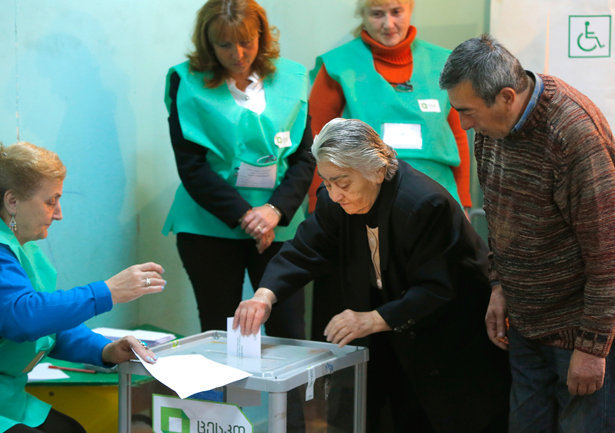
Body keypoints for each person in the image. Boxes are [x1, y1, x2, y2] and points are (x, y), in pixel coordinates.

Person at [234, 118, 510, 433]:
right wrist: (264, 296)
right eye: (327, 182)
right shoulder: (337, 201)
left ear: (377, 171)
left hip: (452, 333)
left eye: (342, 183)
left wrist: (373, 319)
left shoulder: (423, 203)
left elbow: (439, 287)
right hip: (399, 331)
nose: (335, 194)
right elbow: (305, 249)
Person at [439, 34, 615, 433]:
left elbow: (613, 255)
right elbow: (501, 216)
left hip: (578, 330)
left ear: (507, 97)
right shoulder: (492, 130)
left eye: (467, 112)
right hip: (525, 324)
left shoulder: (573, 136)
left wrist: (591, 348)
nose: (463, 124)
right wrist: (499, 285)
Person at [307, 0, 472, 343]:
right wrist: (319, 211)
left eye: (396, 12)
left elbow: (458, 135)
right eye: (377, 13)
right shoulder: (339, 65)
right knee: (379, 303)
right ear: (363, 15)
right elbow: (317, 142)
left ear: (410, 10)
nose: (388, 23)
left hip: (436, 204)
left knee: (436, 300)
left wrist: (465, 201)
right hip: (369, 207)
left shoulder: (443, 63)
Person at [162, 0, 314, 338]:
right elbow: (191, 165)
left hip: (280, 222)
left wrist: (274, 210)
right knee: (221, 331)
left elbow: (305, 157)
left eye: (246, 42)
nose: (238, 54)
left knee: (289, 330)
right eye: (225, 45)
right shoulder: (186, 81)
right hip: (210, 223)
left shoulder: (292, 78)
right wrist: (247, 216)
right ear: (208, 43)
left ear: (261, 35)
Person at [0, 142, 164, 433]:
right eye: (50, 201)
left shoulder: (24, 249)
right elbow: (23, 317)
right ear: (12, 201)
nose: (59, 213)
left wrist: (106, 350)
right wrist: (107, 292)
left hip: (8, 398)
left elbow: (49, 326)